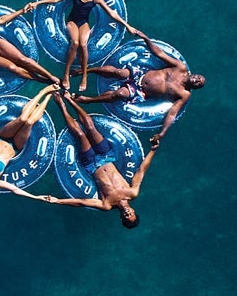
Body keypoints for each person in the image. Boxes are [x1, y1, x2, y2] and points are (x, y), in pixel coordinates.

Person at [25, 94, 156, 228]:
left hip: (92, 164)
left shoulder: (107, 204)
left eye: (126, 216)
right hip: (107, 156)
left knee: (80, 135)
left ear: (121, 217)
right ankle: (70, 100)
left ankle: (62, 106)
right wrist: (153, 150)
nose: (127, 213)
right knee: (90, 126)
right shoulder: (132, 192)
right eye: (131, 214)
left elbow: (82, 202)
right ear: (133, 210)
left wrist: (58, 201)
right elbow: (141, 170)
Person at [73, 33, 205, 148]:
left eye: (199, 84)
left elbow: (172, 113)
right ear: (195, 74)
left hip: (141, 92)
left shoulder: (183, 94)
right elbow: (159, 53)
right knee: (118, 72)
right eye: (199, 78)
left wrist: (161, 133)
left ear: (196, 88)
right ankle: (85, 71)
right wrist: (145, 38)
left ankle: (89, 100)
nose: (197, 80)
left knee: (119, 94)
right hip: (140, 73)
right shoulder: (180, 67)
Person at [32, 0, 139, 92]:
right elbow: (56, 0)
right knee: (75, 43)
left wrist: (128, 26)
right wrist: (37, 3)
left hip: (84, 23)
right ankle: (66, 75)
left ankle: (84, 76)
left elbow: (112, 13)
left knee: (83, 45)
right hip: (72, 22)